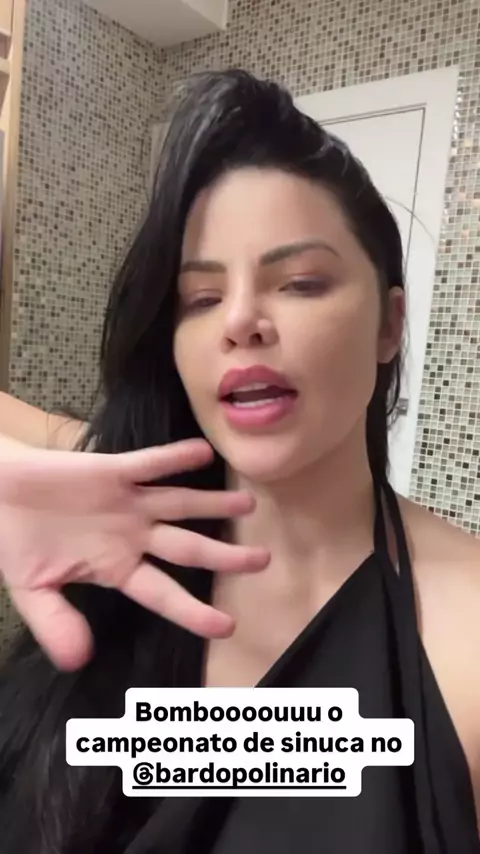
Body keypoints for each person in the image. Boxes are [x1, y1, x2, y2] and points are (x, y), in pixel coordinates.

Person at [0, 69, 478, 854]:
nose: (242, 320)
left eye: (301, 282)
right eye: (200, 298)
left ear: (389, 325)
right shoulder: (109, 488)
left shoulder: (467, 635)